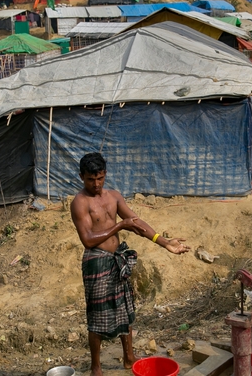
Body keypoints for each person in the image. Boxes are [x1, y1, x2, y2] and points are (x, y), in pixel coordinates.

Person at [70, 153, 190, 376]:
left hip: (118, 259)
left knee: (126, 308)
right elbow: (87, 239)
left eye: (100, 178)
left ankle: (129, 357)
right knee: (97, 315)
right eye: (90, 180)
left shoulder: (114, 197)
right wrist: (120, 226)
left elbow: (135, 222)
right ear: (81, 177)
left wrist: (163, 242)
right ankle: (96, 367)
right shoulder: (80, 202)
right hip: (96, 262)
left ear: (105, 175)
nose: (96, 184)